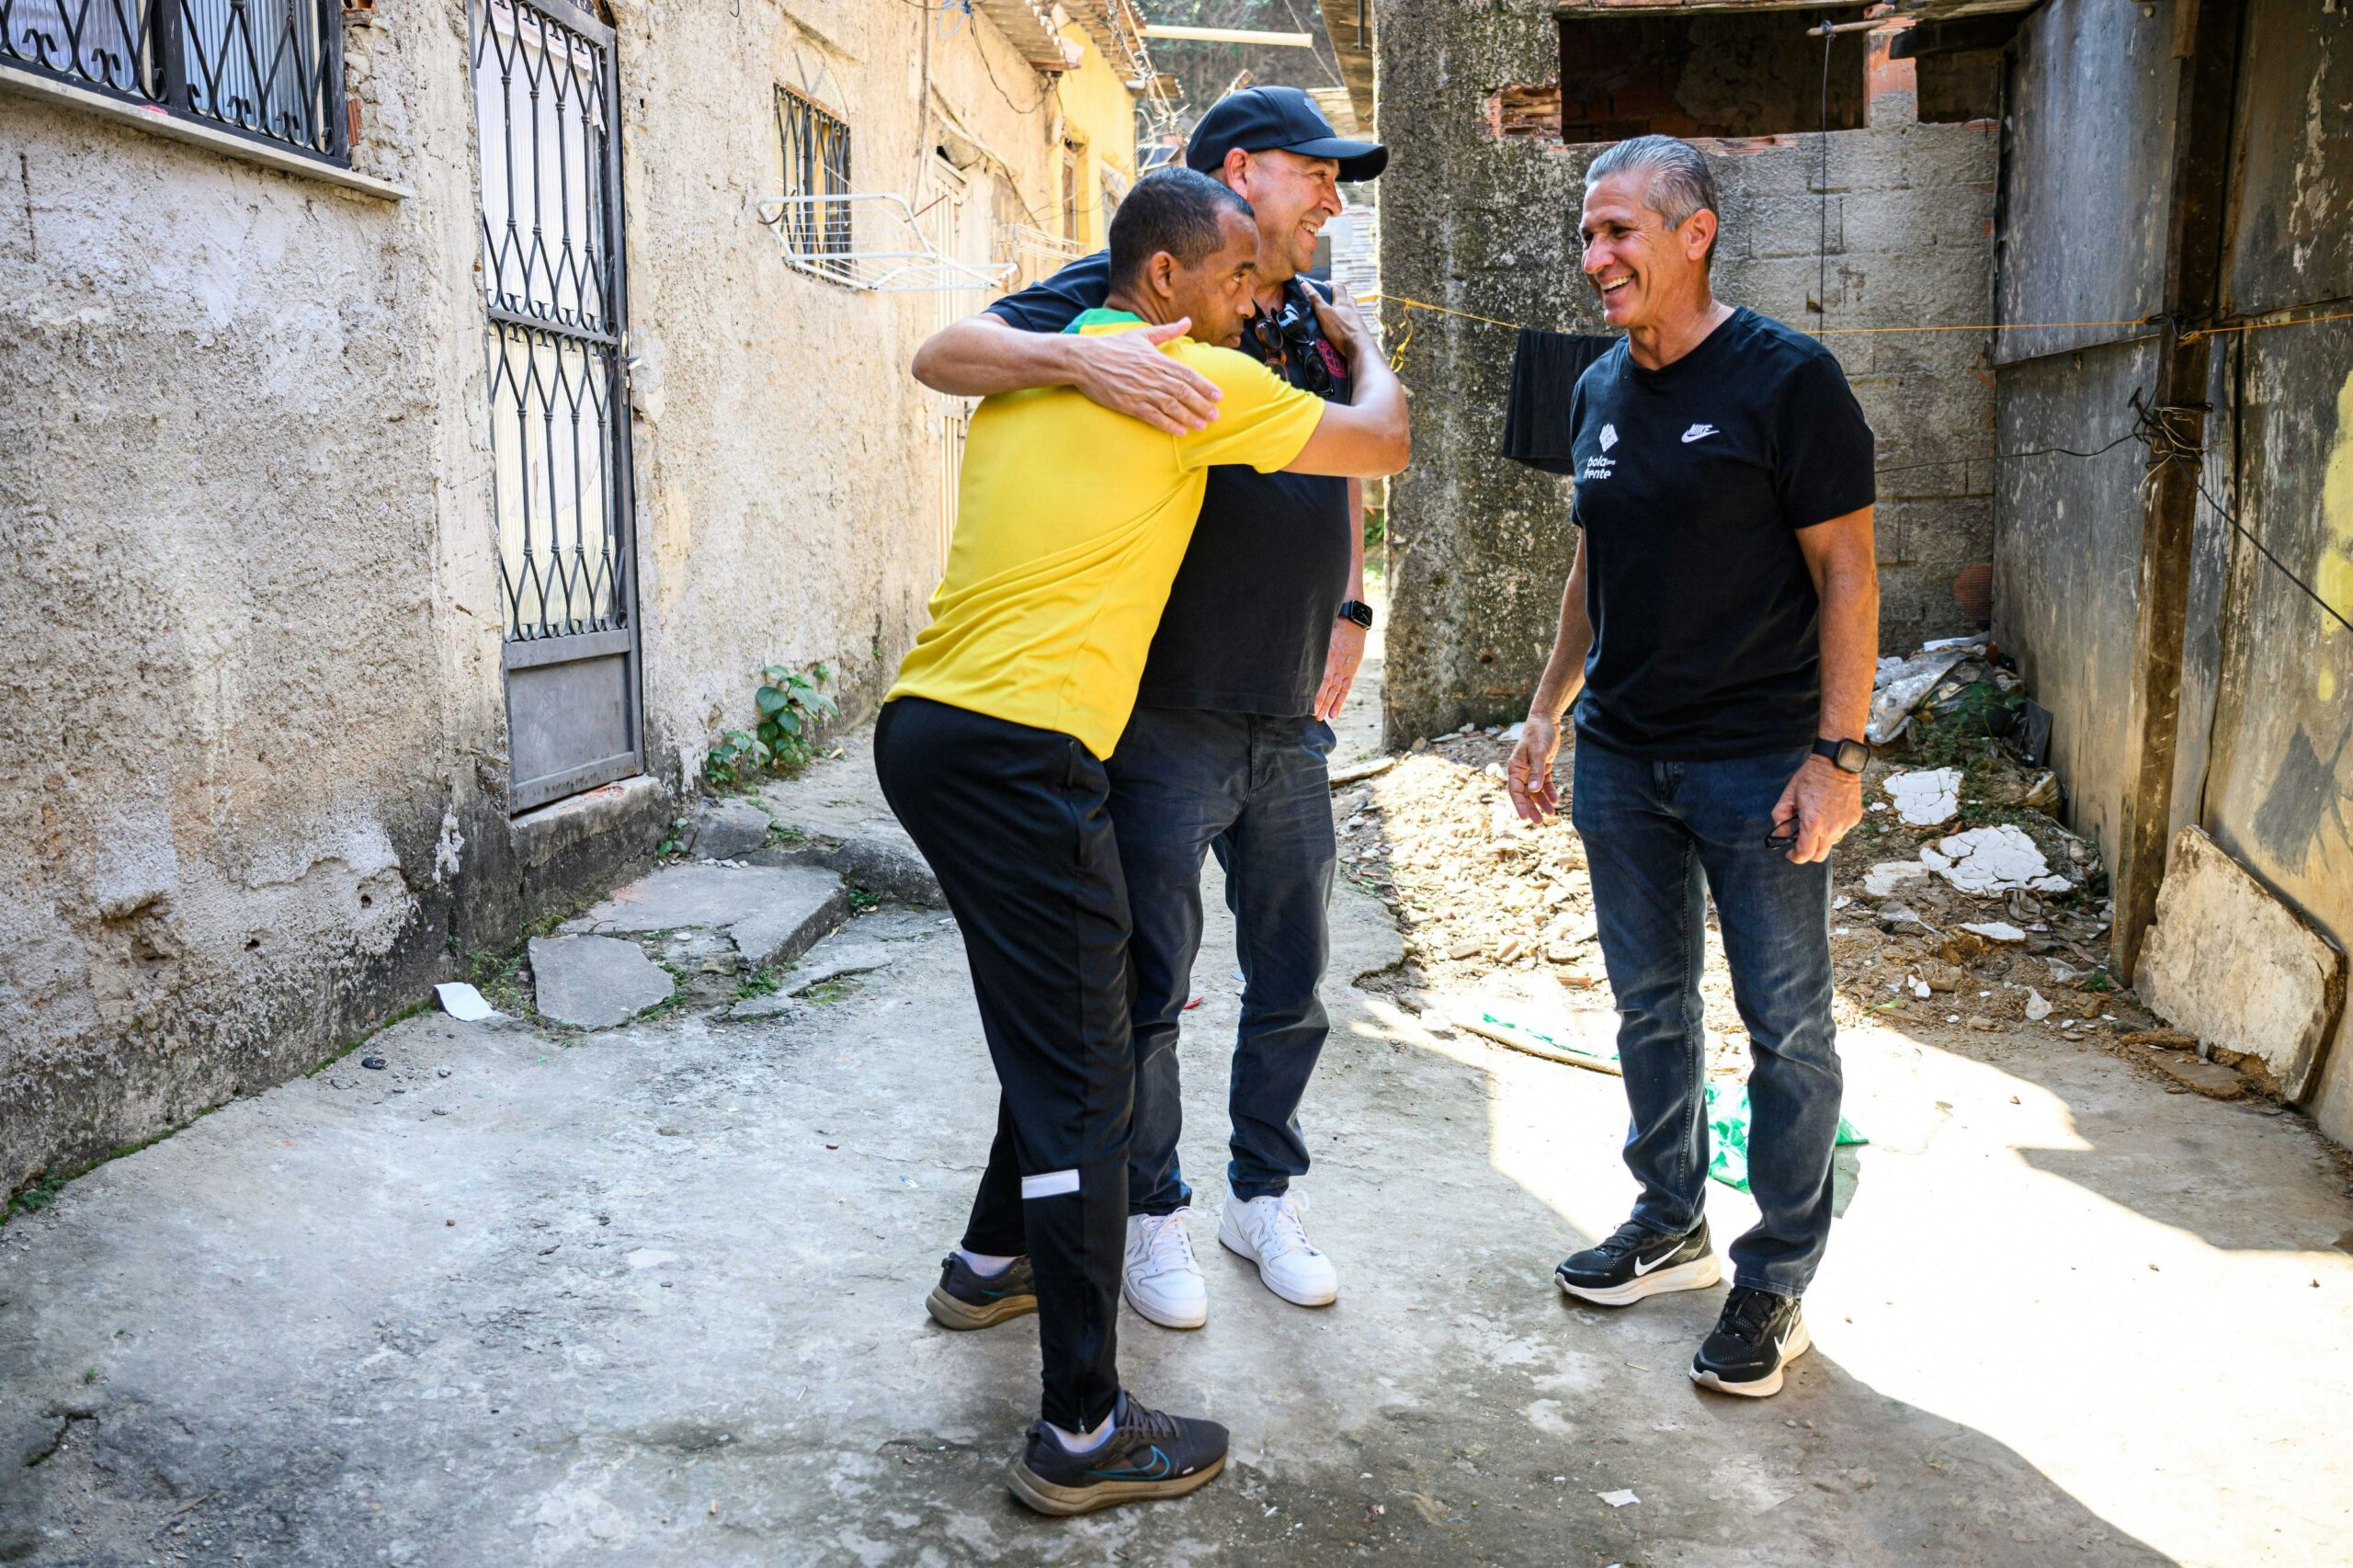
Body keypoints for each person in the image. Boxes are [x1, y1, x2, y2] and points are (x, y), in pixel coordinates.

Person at [877, 166, 1407, 1516]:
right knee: (1087, 1079)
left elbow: (947, 350)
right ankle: (1082, 1427)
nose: (1253, 303)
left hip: (930, 728)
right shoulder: (1192, 382)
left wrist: (1071, 353)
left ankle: (991, 1263)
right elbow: (1383, 441)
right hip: (1024, 752)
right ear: (1165, 277)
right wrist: (1362, 348)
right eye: (1237, 278)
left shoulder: (1034, 370)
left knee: (1079, 1009)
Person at [1504, 134, 1880, 1400]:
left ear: (1694, 231)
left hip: (1757, 762)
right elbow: (1593, 564)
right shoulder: (1597, 389)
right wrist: (1546, 711)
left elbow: (1848, 572)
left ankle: (1777, 1277)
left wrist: (1837, 755)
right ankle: (1670, 1219)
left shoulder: (1789, 379)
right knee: (1650, 1006)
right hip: (1625, 759)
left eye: (1619, 231)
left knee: (1787, 1027)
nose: (1596, 256)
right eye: (1588, 234)